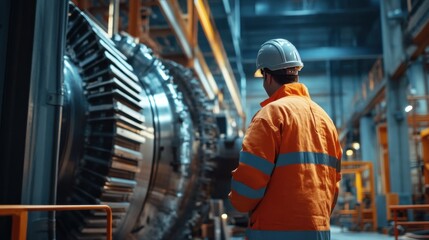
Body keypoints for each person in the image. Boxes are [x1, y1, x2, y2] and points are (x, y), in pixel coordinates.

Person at [228, 38, 342, 240]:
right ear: (296, 73)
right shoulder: (326, 120)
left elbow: (247, 189)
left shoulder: (270, 116)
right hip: (318, 233)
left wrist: (236, 201)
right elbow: (334, 186)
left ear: (268, 76)